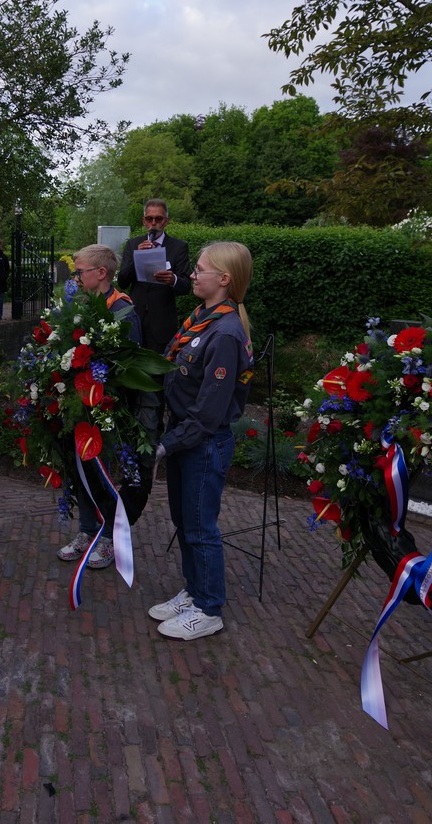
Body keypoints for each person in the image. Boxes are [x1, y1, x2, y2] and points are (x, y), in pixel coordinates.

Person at [148, 241, 254, 641]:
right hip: (185, 437)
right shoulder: (201, 317)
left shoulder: (225, 332)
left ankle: (209, 609)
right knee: (184, 521)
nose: (192, 275)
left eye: (199, 269)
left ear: (223, 279)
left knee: (199, 527)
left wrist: (165, 445)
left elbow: (209, 413)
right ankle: (194, 592)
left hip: (202, 443)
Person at [55, 244, 158, 569]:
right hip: (80, 407)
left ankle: (110, 537)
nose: (76, 278)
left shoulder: (122, 310)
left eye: (80, 272)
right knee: (82, 472)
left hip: (108, 410)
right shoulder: (80, 303)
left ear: (101, 273)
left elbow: (127, 365)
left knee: (105, 476)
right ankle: (87, 531)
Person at [118, 199, 193, 355]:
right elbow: (122, 282)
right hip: (136, 317)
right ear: (144, 221)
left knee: (160, 367)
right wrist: (137, 257)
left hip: (162, 321)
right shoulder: (133, 244)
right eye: (149, 218)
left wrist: (173, 280)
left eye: (158, 219)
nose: (153, 223)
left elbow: (186, 286)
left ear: (166, 221)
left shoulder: (178, 247)